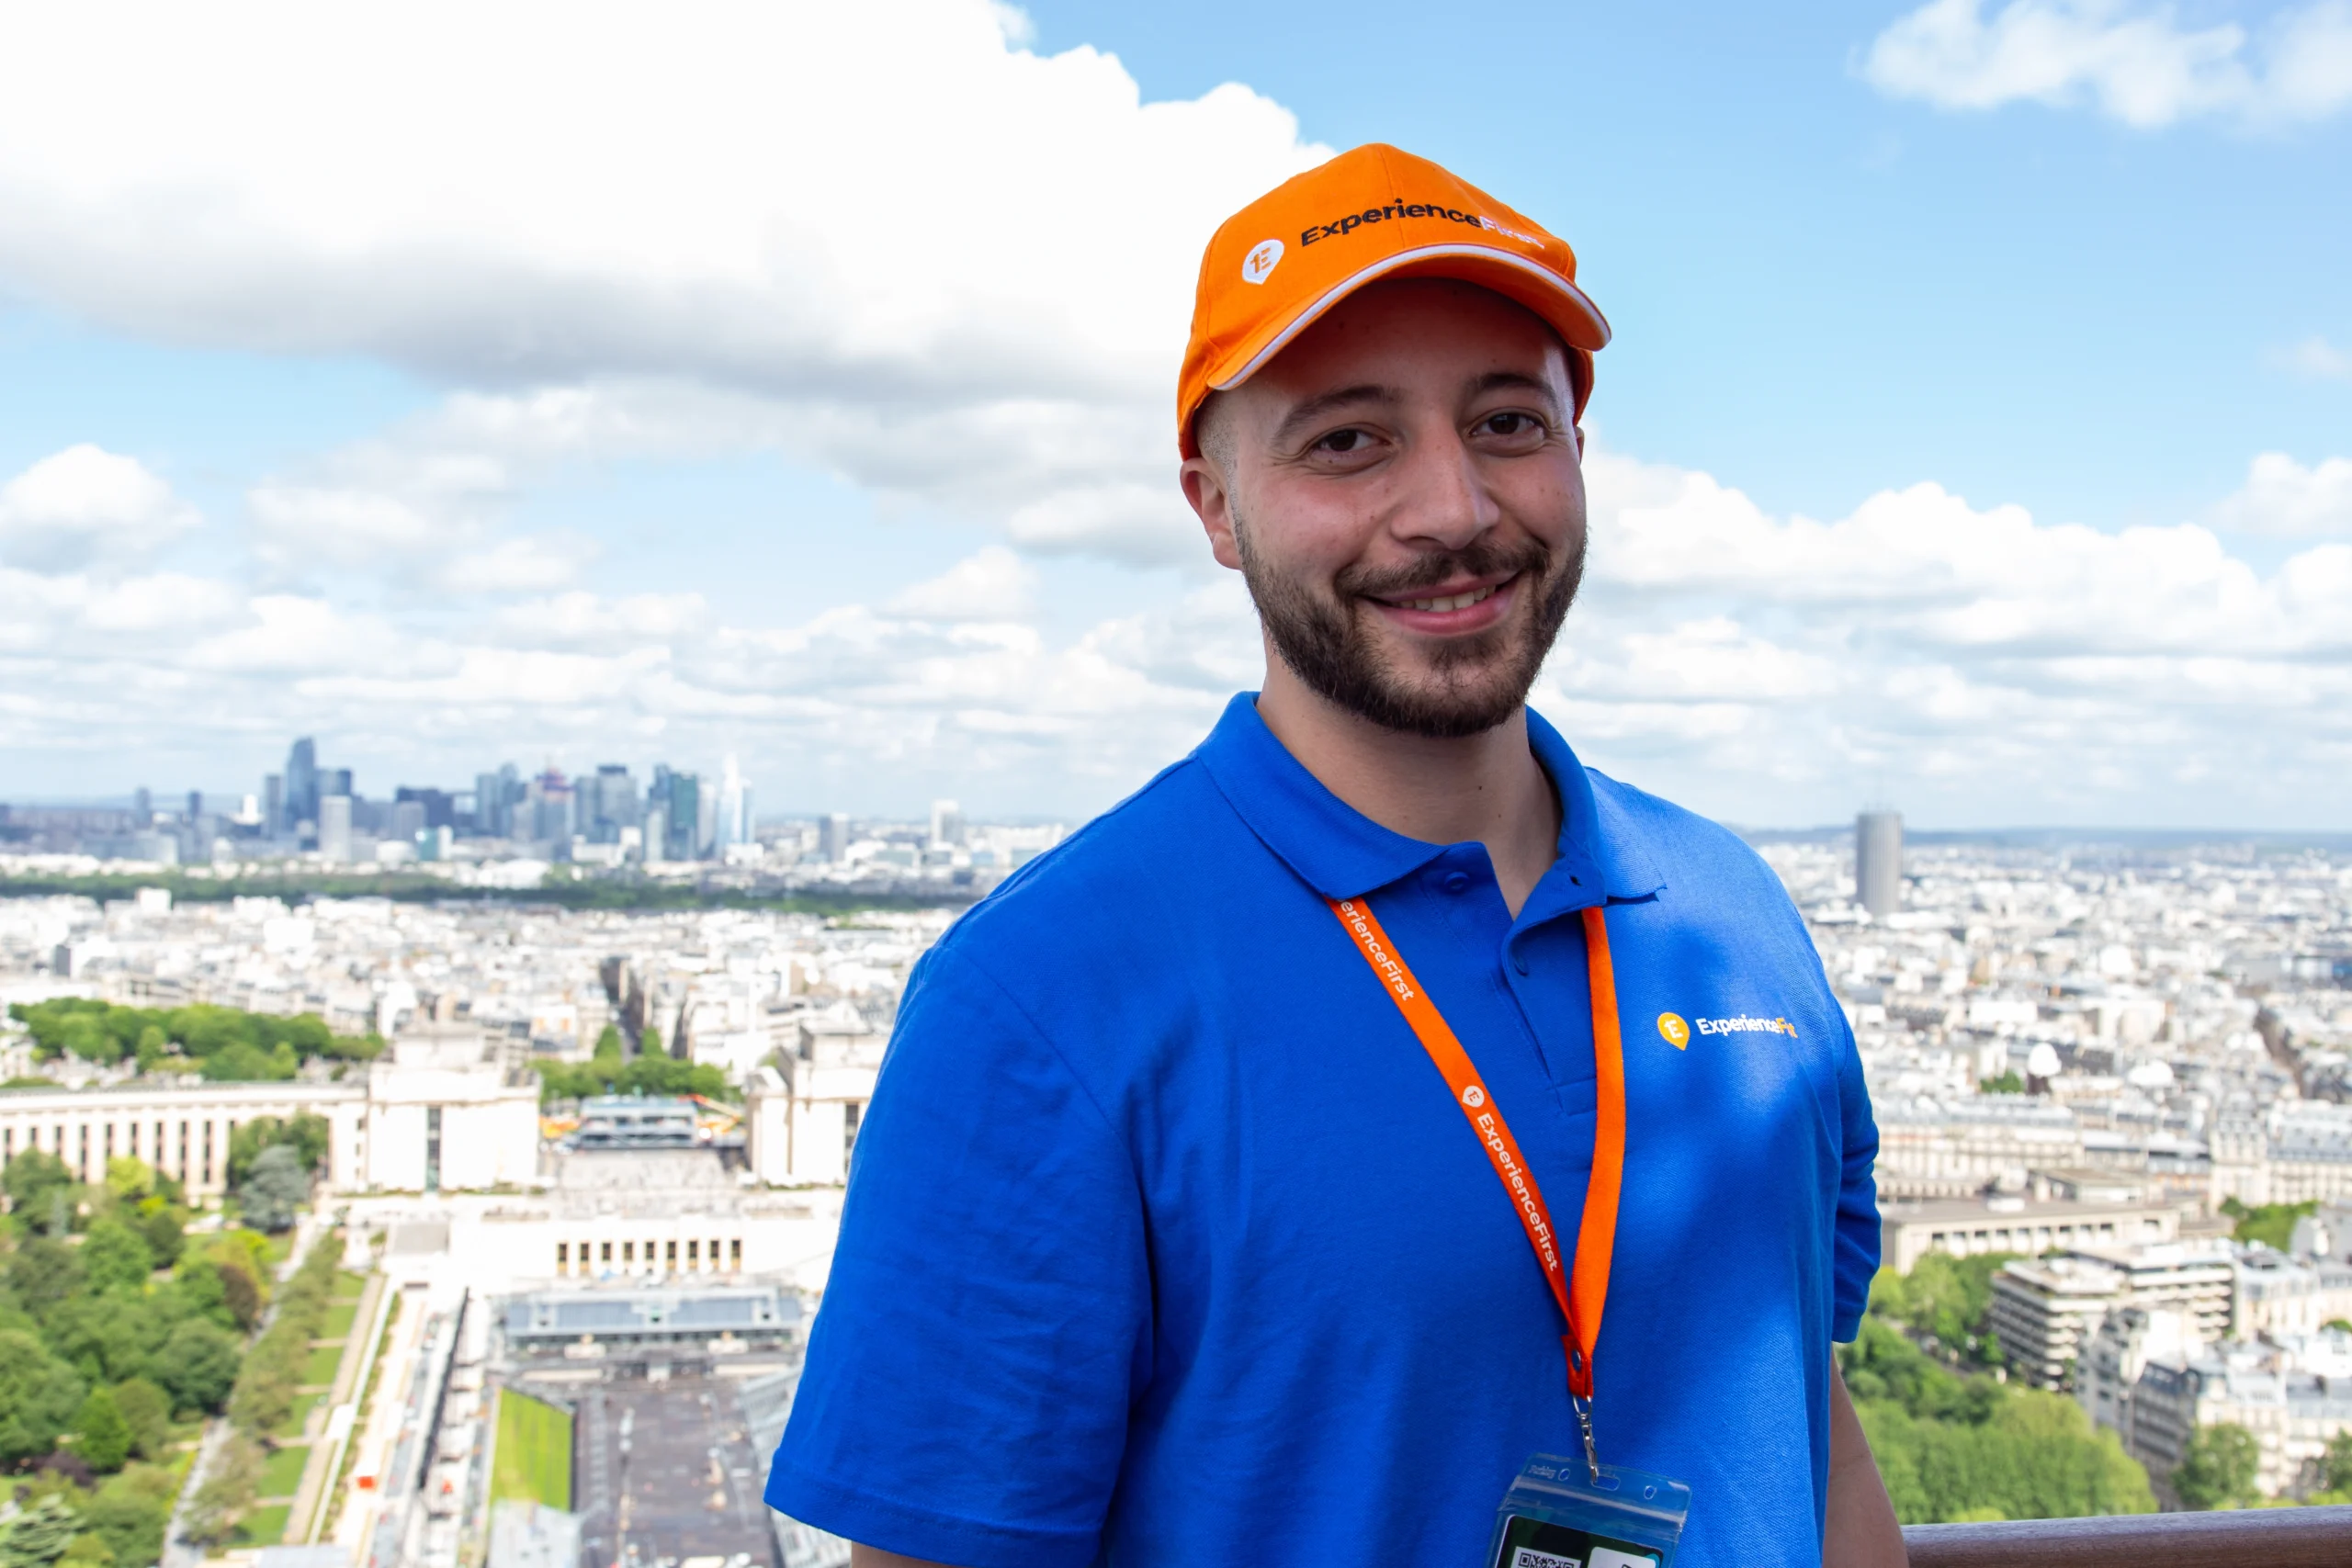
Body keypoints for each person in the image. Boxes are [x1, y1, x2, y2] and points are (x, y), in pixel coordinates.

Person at [766, 143, 1904, 1568]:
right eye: (1348, 441)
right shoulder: (1041, 1002)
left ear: (1577, 453)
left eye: (1505, 421)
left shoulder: (1735, 912)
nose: (1452, 509)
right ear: (1215, 505)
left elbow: (1808, 1411)